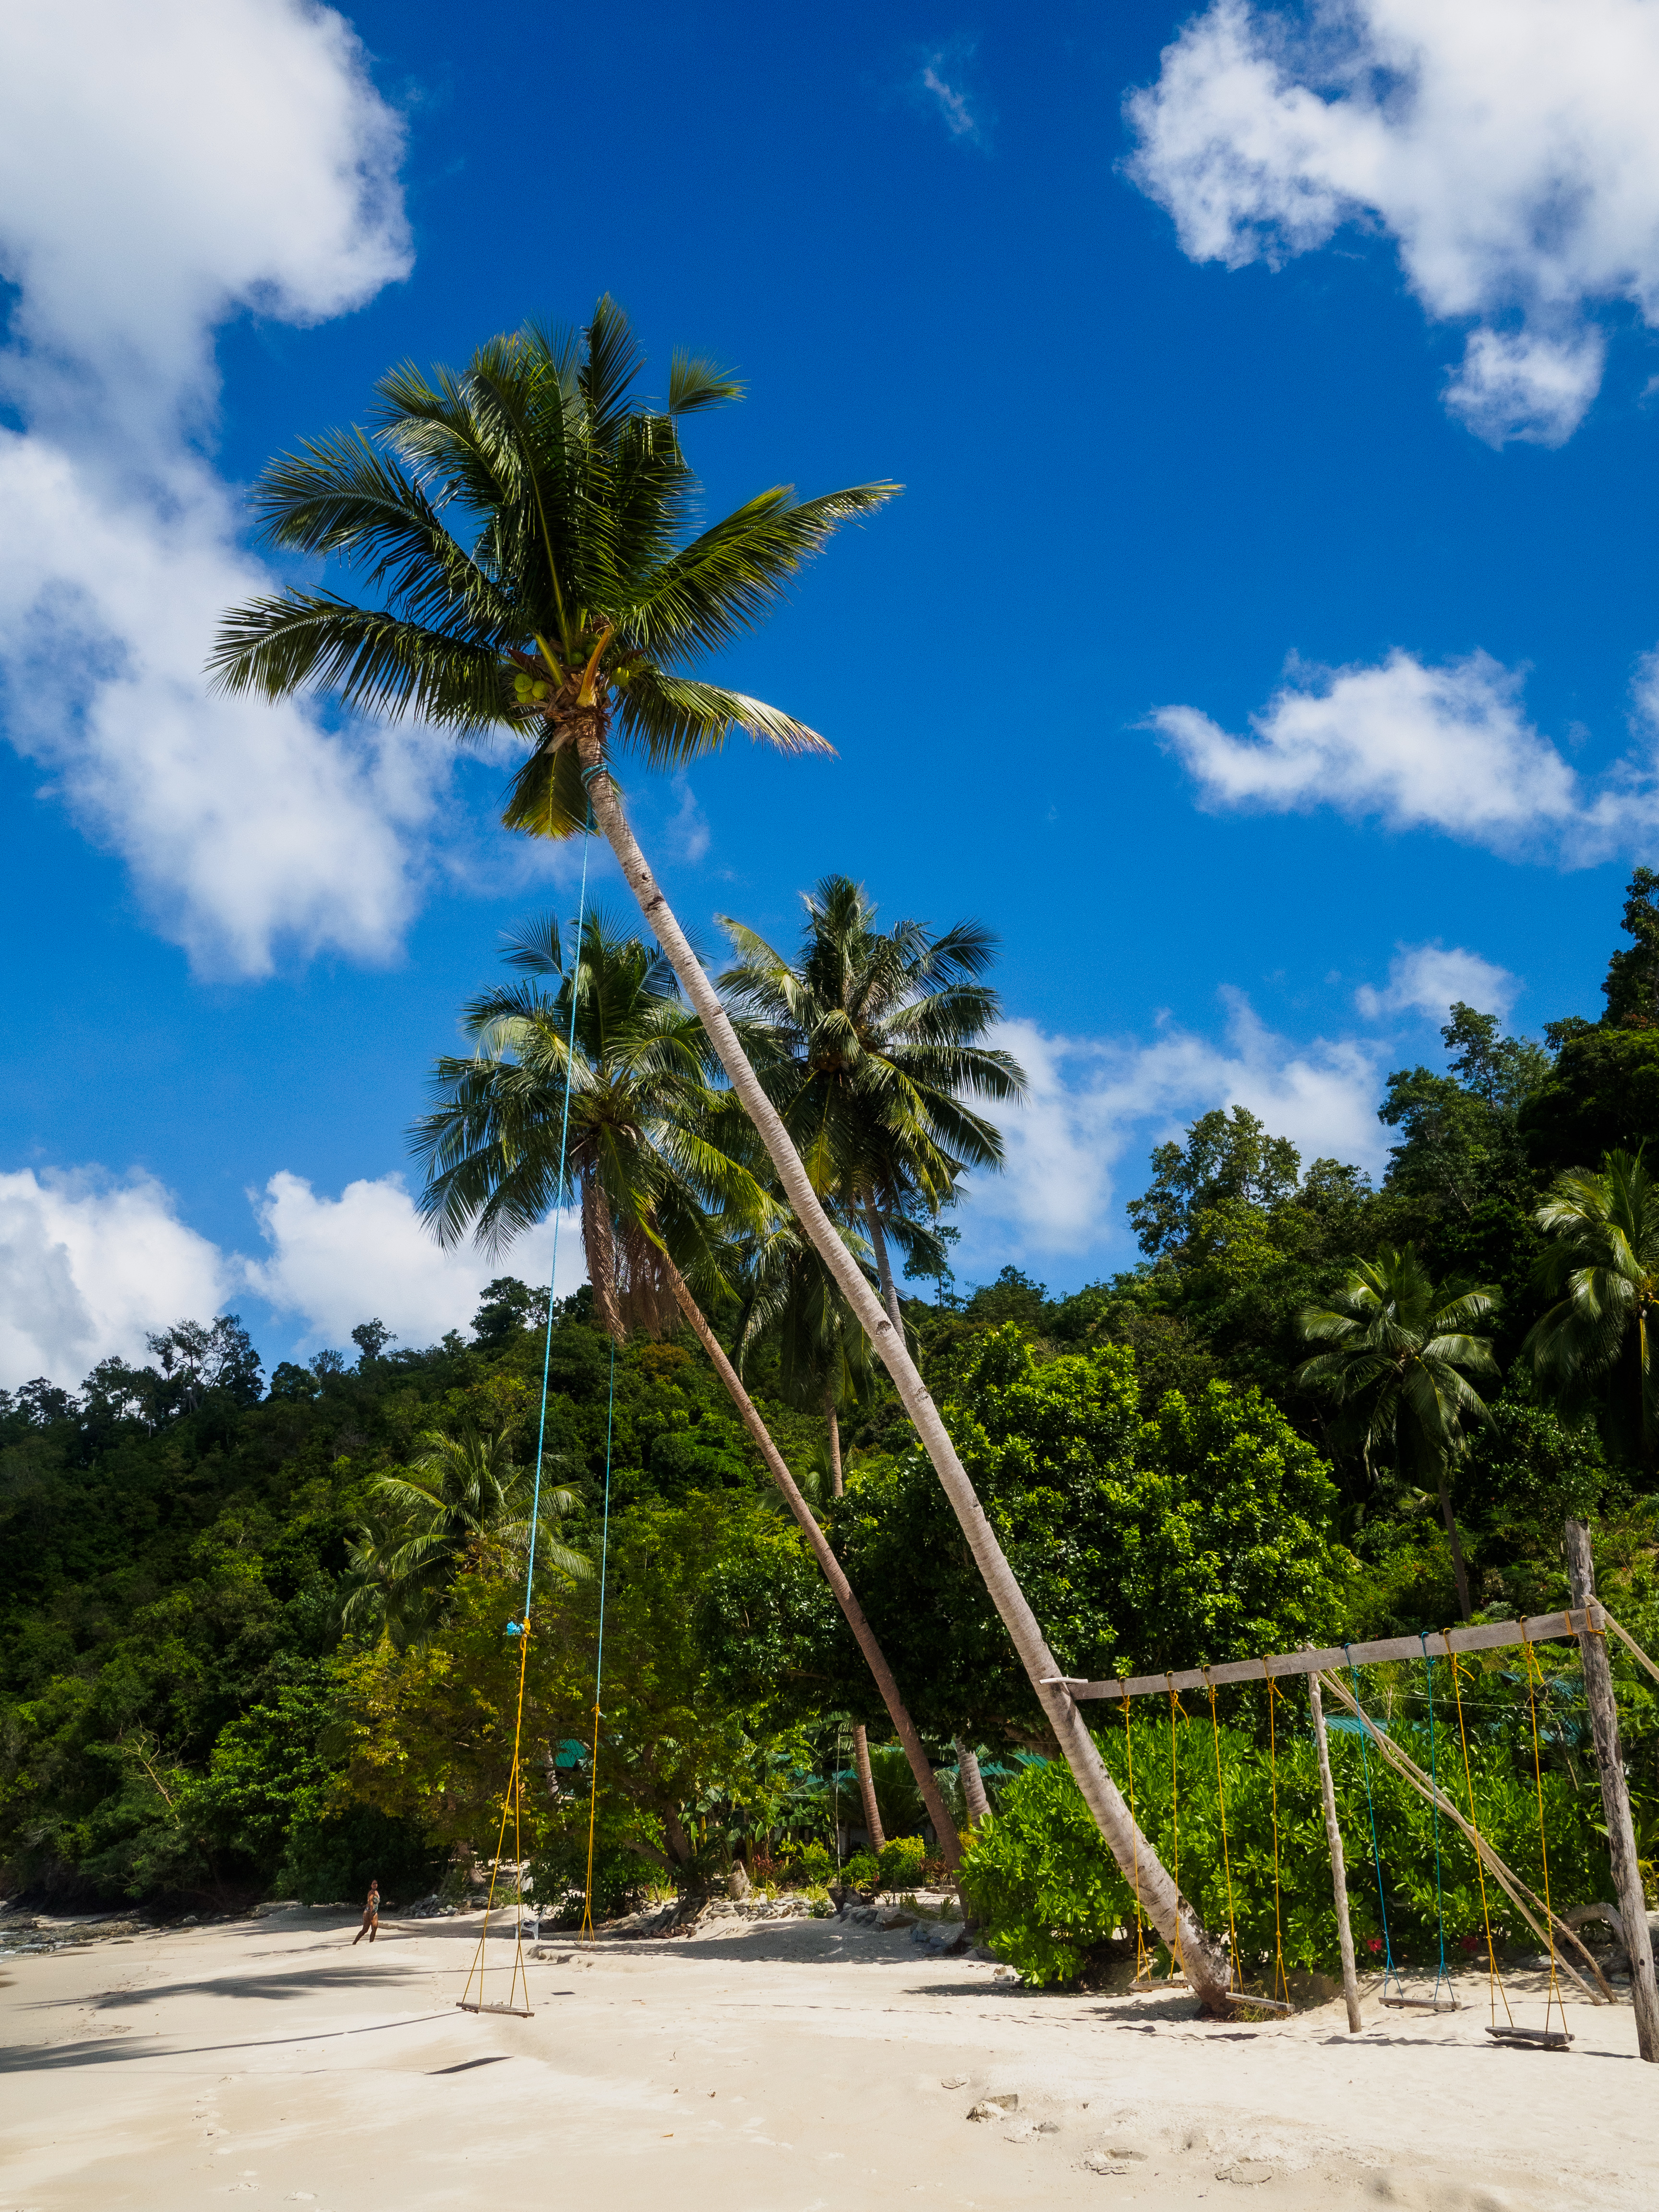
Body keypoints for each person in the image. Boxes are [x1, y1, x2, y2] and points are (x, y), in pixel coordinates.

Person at [352, 1879, 380, 1945]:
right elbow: (371, 1903)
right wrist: (371, 1913)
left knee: (375, 1928)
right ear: (371, 1885)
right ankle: (355, 1942)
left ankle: (371, 1943)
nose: (375, 1885)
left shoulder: (376, 1892)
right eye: (373, 1884)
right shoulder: (371, 1893)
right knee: (365, 1930)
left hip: (374, 1911)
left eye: (376, 1883)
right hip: (369, 1911)